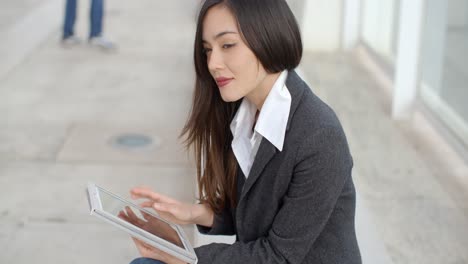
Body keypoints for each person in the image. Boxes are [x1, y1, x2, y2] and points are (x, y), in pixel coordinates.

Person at [126, 0, 362, 263]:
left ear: (267, 36)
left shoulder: (320, 137)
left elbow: (278, 256)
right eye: (207, 50)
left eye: (227, 45)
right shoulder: (244, 111)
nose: (213, 63)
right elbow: (257, 211)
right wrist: (194, 214)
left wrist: (185, 257)